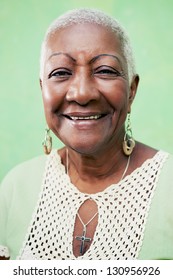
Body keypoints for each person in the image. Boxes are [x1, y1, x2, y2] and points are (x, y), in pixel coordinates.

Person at [0, 8, 173, 260]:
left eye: (105, 70)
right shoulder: (16, 187)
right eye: (60, 73)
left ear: (131, 91)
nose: (82, 93)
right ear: (43, 90)